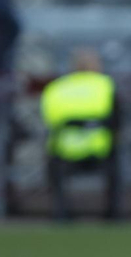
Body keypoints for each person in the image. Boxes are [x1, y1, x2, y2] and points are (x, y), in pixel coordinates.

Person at [42, 49, 120, 221]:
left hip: (64, 153)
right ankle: (114, 213)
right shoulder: (105, 85)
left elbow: (49, 122)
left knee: (51, 159)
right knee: (117, 156)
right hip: (100, 152)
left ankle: (60, 212)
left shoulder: (56, 88)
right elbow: (117, 122)